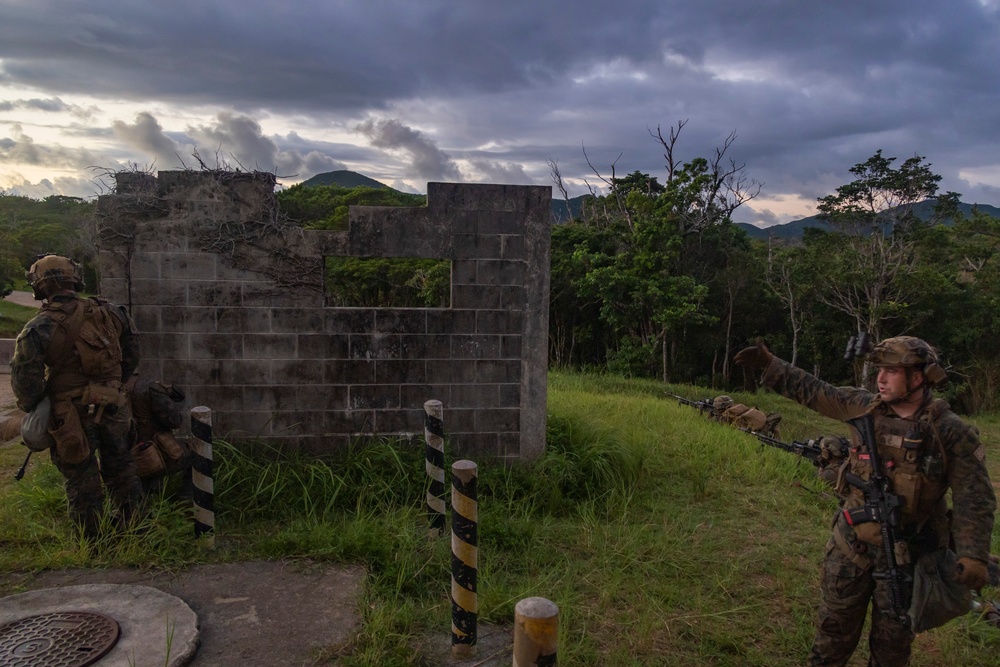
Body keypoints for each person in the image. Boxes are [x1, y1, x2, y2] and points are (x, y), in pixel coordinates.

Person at [735, 336, 995, 666]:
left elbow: (975, 496)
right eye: (879, 371)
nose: (881, 379)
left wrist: (973, 555)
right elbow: (813, 390)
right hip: (852, 548)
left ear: (918, 377)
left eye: (891, 371)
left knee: (892, 648)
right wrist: (769, 363)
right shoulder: (862, 407)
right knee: (832, 636)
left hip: (906, 558)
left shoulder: (949, 432)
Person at [10, 254, 143, 540]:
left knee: (82, 478)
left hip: (69, 413)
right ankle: (136, 532)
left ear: (40, 287)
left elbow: (25, 382)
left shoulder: (38, 327)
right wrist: (112, 385)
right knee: (123, 469)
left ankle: (94, 543)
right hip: (113, 407)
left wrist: (36, 405)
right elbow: (132, 354)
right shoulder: (112, 312)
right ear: (75, 278)